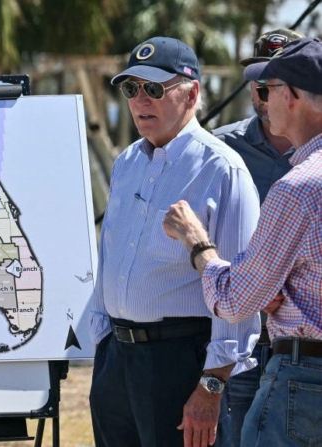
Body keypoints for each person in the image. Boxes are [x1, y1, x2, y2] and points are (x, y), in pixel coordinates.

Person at [88, 36, 261, 447]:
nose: (140, 101)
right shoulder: (127, 162)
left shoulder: (223, 169)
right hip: (117, 361)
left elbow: (242, 289)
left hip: (181, 363)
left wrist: (212, 386)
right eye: (131, 89)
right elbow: (110, 255)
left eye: (154, 89)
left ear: (192, 93)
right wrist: (102, 344)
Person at [164, 36, 322, 447]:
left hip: (304, 380)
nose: (261, 99)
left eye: (267, 89)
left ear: (289, 95)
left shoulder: (299, 187)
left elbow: (235, 302)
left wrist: (197, 241)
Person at [211, 28, 303, 447]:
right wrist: (252, 283)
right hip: (241, 346)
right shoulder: (221, 150)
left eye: (274, 86)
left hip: (306, 350)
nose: (264, 97)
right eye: (257, 84)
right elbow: (190, 234)